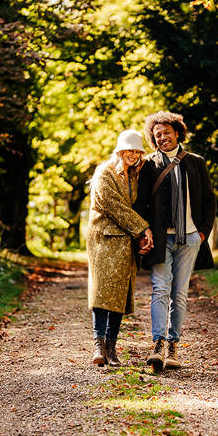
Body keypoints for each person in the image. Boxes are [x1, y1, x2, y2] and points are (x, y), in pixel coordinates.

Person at [134, 111, 216, 371]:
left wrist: (202, 233)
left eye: (166, 133)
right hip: (160, 239)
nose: (162, 138)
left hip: (191, 238)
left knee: (179, 294)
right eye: (157, 135)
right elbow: (141, 203)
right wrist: (143, 232)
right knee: (160, 289)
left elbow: (209, 200)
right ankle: (157, 344)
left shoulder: (196, 162)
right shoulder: (148, 165)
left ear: (178, 132)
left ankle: (173, 346)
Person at [86, 129, 154, 367]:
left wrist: (141, 232)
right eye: (129, 150)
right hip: (104, 238)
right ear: (120, 150)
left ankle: (112, 347)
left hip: (126, 240)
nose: (133, 155)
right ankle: (99, 345)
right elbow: (113, 205)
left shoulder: (135, 175)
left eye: (137, 151)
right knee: (102, 291)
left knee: (121, 293)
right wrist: (143, 228)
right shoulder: (103, 172)